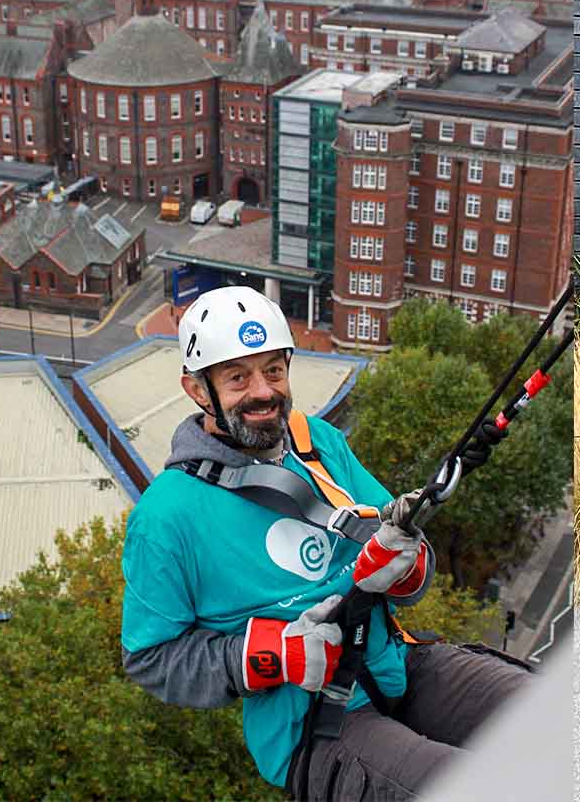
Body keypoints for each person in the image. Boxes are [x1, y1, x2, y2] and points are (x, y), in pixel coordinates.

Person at [120, 286, 529, 800]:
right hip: (311, 725)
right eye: (238, 378)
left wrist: (403, 567)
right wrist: (273, 654)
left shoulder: (316, 443)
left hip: (393, 664)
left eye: (273, 370)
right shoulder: (166, 517)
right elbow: (150, 657)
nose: (263, 392)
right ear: (198, 390)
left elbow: (402, 554)